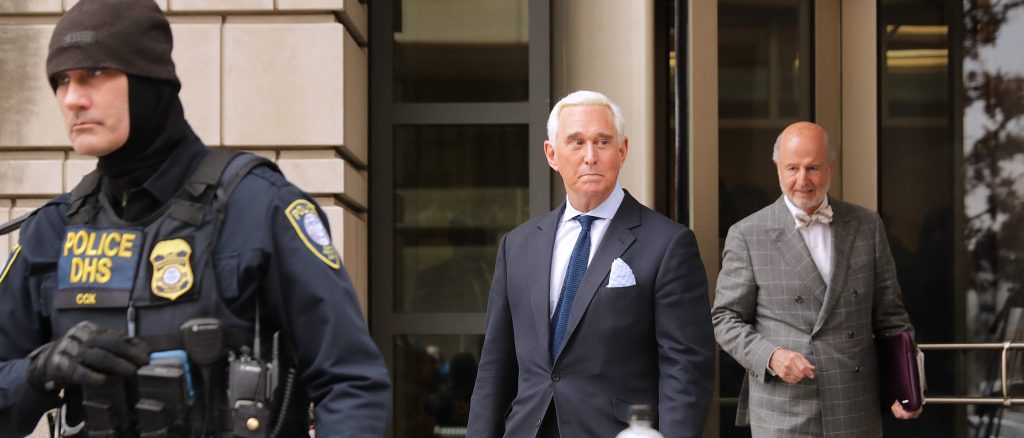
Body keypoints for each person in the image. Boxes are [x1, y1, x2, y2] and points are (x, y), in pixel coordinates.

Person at [0, 0, 390, 436]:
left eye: (95, 74)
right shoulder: (53, 231)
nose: (72, 98)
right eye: (61, 80)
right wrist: (40, 370)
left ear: (150, 80)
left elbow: (352, 382)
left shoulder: (259, 209)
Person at [467, 90, 715, 437]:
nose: (590, 156)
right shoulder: (517, 246)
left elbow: (686, 369)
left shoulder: (668, 244)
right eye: (576, 142)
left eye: (602, 142)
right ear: (552, 154)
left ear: (622, 150)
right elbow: (495, 366)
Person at [711, 121, 922, 437]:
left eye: (813, 168)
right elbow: (724, 319)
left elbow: (891, 318)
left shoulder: (866, 226)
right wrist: (771, 356)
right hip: (785, 411)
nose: (802, 180)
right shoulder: (747, 234)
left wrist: (908, 384)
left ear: (831, 168)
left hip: (856, 406)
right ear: (777, 168)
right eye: (792, 168)